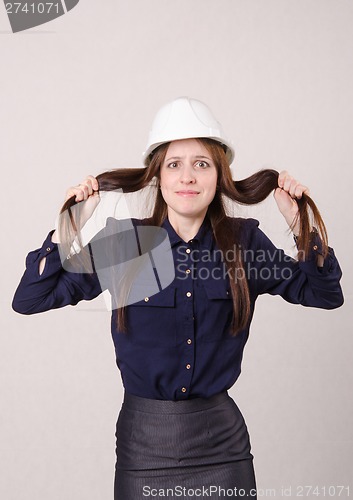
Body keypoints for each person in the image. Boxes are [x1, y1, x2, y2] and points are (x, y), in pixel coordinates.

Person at [12, 97, 344, 499]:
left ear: (219, 176)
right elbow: (31, 297)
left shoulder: (245, 244)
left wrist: (300, 225)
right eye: (174, 164)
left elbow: (325, 294)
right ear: (158, 176)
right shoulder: (126, 245)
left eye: (201, 164)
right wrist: (67, 228)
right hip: (144, 446)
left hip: (223, 448)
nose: (188, 177)